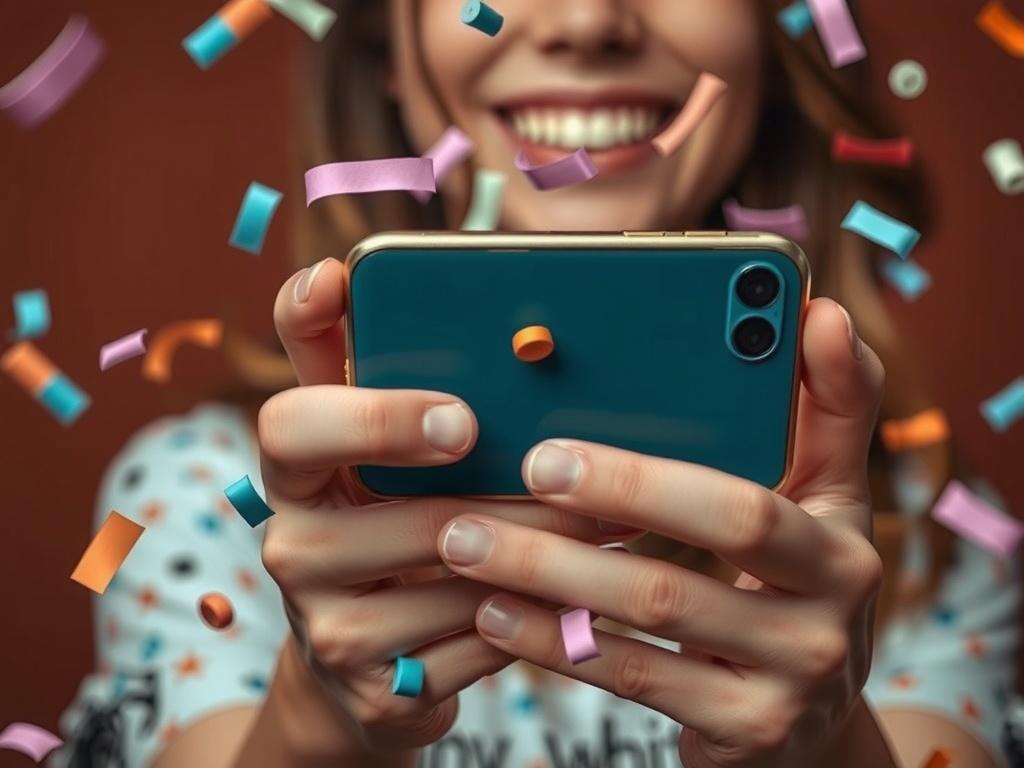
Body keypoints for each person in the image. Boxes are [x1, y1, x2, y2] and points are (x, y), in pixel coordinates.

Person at [55, 1, 1019, 767]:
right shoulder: (197, 496)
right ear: (390, 43)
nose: (588, 20)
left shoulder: (935, 537)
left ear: (774, 40)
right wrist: (322, 724)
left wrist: (825, 753)